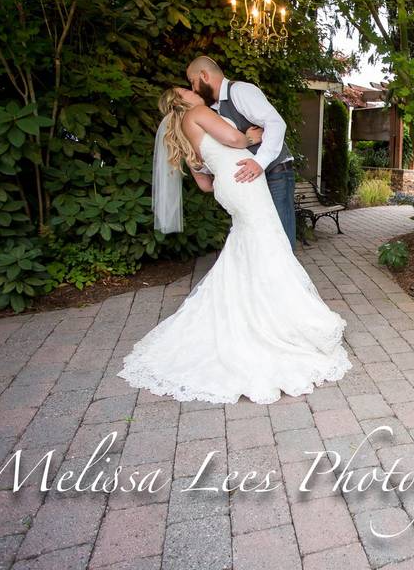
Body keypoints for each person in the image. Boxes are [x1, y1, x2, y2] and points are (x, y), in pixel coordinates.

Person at [117, 87, 351, 404]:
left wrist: (225, 160)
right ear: (181, 101)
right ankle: (282, 323)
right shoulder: (197, 113)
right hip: (244, 183)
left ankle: (260, 311)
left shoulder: (183, 133)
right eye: (185, 89)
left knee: (251, 246)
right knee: (269, 243)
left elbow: (204, 183)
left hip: (230, 185)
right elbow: (234, 140)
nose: (191, 89)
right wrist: (251, 138)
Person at [185, 56, 298, 250]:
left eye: (193, 82)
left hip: (274, 173)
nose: (194, 88)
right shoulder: (212, 110)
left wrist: (260, 162)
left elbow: (275, 123)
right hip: (251, 182)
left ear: (204, 75)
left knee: (281, 238)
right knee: (261, 239)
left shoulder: (240, 91)